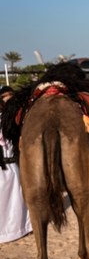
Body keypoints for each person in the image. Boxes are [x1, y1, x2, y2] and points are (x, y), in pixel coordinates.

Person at [0, 86, 32, 243]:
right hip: (2, 166)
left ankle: (20, 228)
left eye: (10, 97)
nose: (8, 100)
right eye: (5, 97)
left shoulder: (16, 119)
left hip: (14, 164)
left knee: (19, 199)